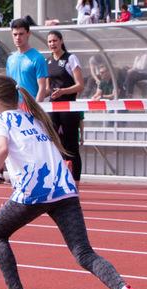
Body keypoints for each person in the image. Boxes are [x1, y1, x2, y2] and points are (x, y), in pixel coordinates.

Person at [0, 74, 145, 289]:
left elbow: (1, 150)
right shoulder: (33, 117)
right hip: (64, 189)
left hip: (35, 191)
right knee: (83, 252)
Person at [46, 31, 84, 182]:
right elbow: (48, 88)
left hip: (69, 107)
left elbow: (80, 85)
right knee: (54, 144)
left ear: (61, 41)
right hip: (53, 108)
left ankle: (75, 183)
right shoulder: (47, 61)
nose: (52, 44)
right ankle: (58, 181)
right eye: (49, 42)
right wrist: (35, 98)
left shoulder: (70, 58)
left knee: (71, 146)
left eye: (55, 41)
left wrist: (63, 91)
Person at [6, 18, 48, 103]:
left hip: (31, 107)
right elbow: (8, 86)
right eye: (15, 34)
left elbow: (42, 87)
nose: (18, 37)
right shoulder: (10, 59)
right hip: (14, 108)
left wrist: (36, 109)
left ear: (28, 34)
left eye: (21, 34)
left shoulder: (38, 58)